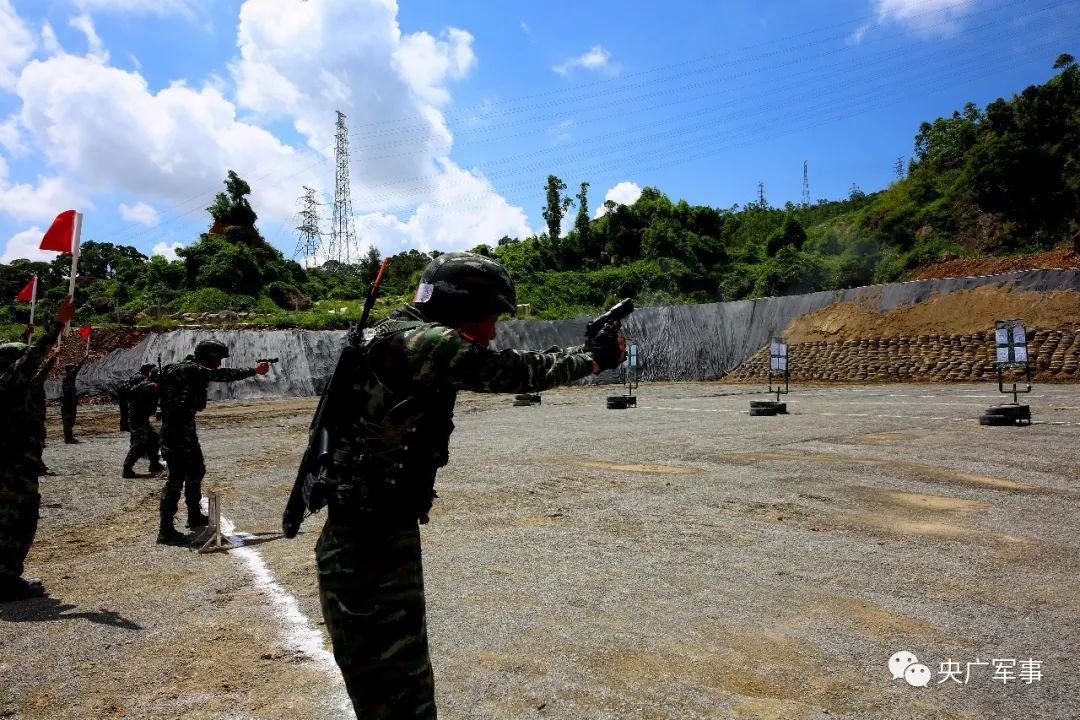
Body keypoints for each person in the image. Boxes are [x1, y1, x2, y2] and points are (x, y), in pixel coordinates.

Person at [314, 252, 626, 718]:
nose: (494, 330)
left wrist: (580, 353)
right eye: (492, 317)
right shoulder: (424, 342)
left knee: (392, 694)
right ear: (466, 307)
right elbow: (509, 370)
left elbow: (496, 359)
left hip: (370, 539)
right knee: (401, 701)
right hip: (369, 550)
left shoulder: (397, 335)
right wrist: (593, 360)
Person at [0, 297, 77, 602]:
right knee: (15, 522)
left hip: (18, 464)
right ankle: (6, 582)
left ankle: (7, 576)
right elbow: (28, 363)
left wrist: (48, 358)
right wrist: (57, 324)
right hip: (10, 467)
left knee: (14, 521)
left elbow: (33, 370)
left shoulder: (13, 384)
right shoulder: (7, 382)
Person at [156, 341, 269, 544]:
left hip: (185, 430)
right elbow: (222, 375)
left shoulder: (186, 368)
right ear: (206, 357)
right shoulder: (190, 370)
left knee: (196, 470)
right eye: (216, 359)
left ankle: (193, 514)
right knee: (176, 478)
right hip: (175, 432)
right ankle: (165, 529)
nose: (218, 363)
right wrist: (254, 370)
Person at [122, 366, 164, 478]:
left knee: (154, 439)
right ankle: (127, 468)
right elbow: (152, 387)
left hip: (143, 419)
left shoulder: (151, 385)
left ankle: (154, 464)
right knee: (140, 443)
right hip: (136, 419)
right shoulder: (147, 385)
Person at [61, 358, 86, 444]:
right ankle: (68, 438)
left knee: (70, 421)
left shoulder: (68, 380)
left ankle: (69, 437)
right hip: (68, 403)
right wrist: (83, 359)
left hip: (69, 403)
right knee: (68, 421)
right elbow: (75, 371)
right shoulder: (68, 379)